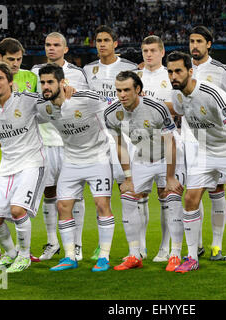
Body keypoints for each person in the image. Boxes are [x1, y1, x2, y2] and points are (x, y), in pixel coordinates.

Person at [167, 51, 226, 275]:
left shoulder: (211, 93)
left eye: (178, 71)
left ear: (190, 71)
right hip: (204, 150)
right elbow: (175, 110)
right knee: (190, 199)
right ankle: (191, 256)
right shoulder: (176, 94)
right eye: (169, 72)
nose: (173, 76)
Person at [37, 63, 115, 272]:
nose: (45, 86)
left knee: (101, 205)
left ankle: (104, 257)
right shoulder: (44, 107)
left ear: (62, 83)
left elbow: (112, 104)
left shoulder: (85, 98)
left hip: (97, 157)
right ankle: (70, 256)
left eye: (50, 82)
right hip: (71, 160)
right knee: (63, 207)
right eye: (42, 82)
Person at [105, 70, 184, 271]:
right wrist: (128, 177)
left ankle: (175, 254)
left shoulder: (156, 108)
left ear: (138, 90)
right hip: (141, 158)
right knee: (128, 196)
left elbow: (170, 142)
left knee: (171, 198)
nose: (122, 95)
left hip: (168, 156)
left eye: (126, 90)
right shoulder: (112, 113)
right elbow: (120, 145)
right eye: (118, 90)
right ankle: (134, 255)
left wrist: (169, 177)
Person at [0, 38, 38, 267]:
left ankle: (23, 253)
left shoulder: (30, 79)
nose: (15, 63)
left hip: (28, 154)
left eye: (18, 59)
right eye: (10, 59)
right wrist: (5, 145)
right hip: (0, 153)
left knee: (18, 207)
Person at [31, 32, 89, 262]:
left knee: (75, 193)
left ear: (65, 49)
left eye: (56, 45)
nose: (51, 48)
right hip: (44, 141)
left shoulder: (77, 73)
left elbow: (85, 102)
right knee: (49, 192)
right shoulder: (35, 72)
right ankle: (52, 242)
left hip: (70, 142)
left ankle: (77, 245)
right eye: (47, 45)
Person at [83, 25, 139, 260]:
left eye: (106, 40)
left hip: (122, 136)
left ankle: (134, 248)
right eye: (98, 40)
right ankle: (102, 246)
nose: (102, 44)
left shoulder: (130, 68)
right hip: (97, 139)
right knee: (100, 196)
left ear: (115, 43)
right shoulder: (87, 70)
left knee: (127, 191)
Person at [135, 35, 185, 264]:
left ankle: (166, 248)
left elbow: (182, 107)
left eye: (153, 50)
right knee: (138, 195)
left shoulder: (171, 75)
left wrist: (150, 104)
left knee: (167, 195)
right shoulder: (136, 77)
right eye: (145, 50)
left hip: (168, 140)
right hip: (141, 143)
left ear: (162, 52)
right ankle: (141, 247)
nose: (148, 54)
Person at [188, 26, 226, 260]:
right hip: (189, 138)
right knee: (192, 192)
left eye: (199, 41)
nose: (194, 45)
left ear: (209, 44)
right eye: (191, 41)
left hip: (215, 139)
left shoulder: (221, 71)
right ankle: (194, 245)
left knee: (217, 191)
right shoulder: (180, 70)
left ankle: (216, 243)